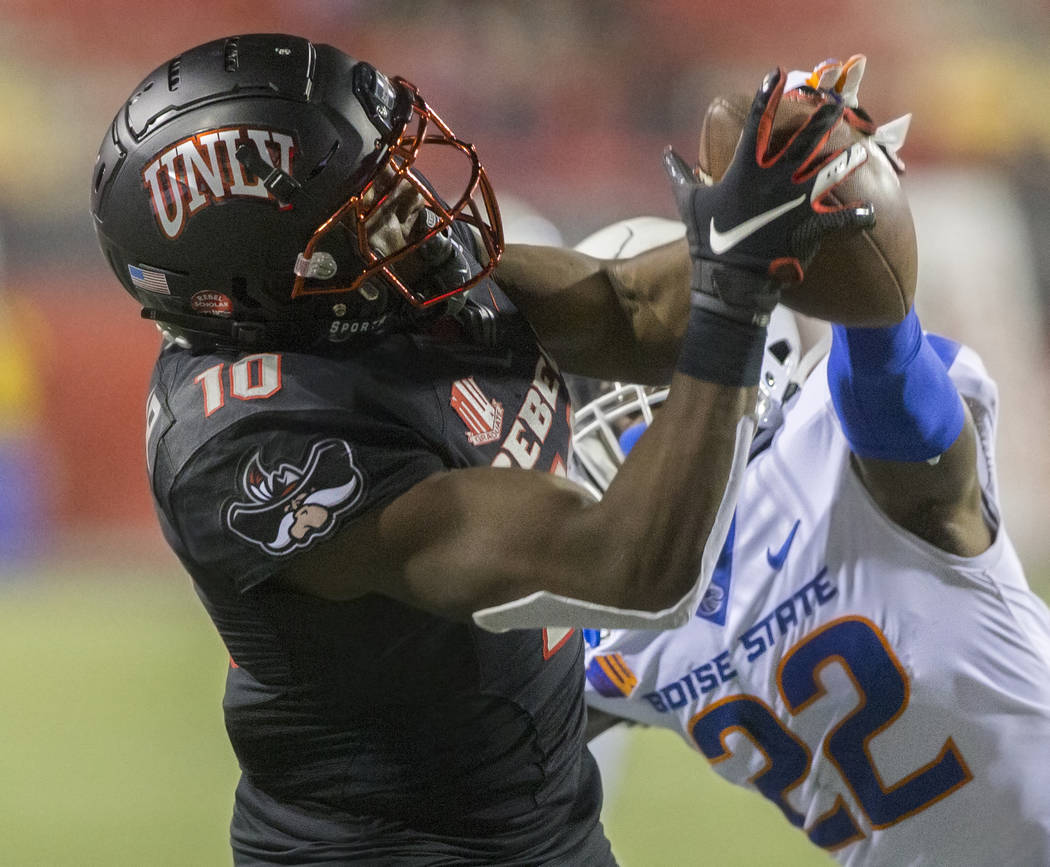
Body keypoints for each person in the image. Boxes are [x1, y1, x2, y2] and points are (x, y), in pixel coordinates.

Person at [89, 33, 875, 864]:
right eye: (372, 208)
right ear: (269, 277)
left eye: (396, 171)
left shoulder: (381, 285)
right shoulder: (252, 445)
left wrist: (770, 203)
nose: (419, 208)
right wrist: (737, 287)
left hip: (539, 818)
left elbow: (628, 308)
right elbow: (631, 568)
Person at [576, 217, 1050, 865]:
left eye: (614, 386)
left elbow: (887, 360)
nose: (597, 418)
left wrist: (833, 211)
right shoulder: (624, 604)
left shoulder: (842, 449)